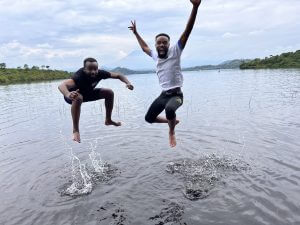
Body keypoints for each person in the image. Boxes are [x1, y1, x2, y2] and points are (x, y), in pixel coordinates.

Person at [129, 0, 202, 147]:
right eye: (159, 43)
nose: (162, 45)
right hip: (163, 95)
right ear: (156, 45)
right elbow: (144, 48)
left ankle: (171, 132)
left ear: (169, 44)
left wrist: (195, 7)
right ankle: (172, 121)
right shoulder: (155, 56)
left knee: (170, 109)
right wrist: (136, 33)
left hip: (176, 95)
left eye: (165, 42)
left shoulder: (176, 51)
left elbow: (187, 30)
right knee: (149, 118)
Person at [58, 57, 134, 143]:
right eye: (90, 69)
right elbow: (61, 85)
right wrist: (68, 94)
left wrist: (128, 83)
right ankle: (75, 130)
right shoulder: (79, 76)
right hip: (73, 96)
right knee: (78, 97)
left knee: (109, 92)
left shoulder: (100, 73)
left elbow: (119, 75)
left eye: (95, 69)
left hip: (87, 94)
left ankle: (108, 120)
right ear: (84, 69)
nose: (93, 72)